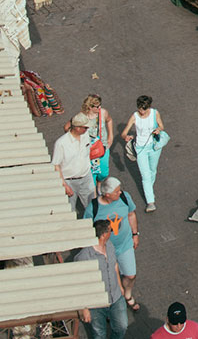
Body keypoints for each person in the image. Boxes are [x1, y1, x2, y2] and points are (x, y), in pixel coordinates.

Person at [86, 177, 141, 311]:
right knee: (108, 280)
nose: (120, 193)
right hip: (105, 250)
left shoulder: (124, 197)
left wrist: (135, 234)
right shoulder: (93, 208)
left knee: (130, 275)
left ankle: (127, 295)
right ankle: (112, 302)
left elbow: (131, 215)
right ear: (107, 195)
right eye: (117, 192)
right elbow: (87, 230)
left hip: (125, 245)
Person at [76, 218, 129, 339]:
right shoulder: (84, 256)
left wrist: (120, 286)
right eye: (110, 231)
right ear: (104, 235)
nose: (112, 233)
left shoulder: (109, 245)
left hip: (115, 297)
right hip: (96, 303)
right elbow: (79, 284)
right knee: (99, 334)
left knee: (122, 326)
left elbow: (114, 265)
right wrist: (84, 308)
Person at [121, 95, 167, 211]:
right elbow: (124, 133)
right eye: (140, 108)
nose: (141, 111)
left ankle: (148, 190)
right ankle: (150, 201)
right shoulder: (135, 116)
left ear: (149, 107)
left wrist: (158, 130)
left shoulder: (155, 113)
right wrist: (126, 137)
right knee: (145, 175)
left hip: (154, 146)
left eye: (144, 109)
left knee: (152, 170)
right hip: (140, 148)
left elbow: (161, 126)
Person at [53, 113, 97, 210]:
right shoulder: (61, 143)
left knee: (93, 207)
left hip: (86, 177)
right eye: (85, 127)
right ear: (77, 128)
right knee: (70, 209)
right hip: (69, 181)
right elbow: (56, 165)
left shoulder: (85, 136)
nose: (87, 129)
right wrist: (64, 184)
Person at [70, 94, 114, 183]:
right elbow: (68, 127)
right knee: (91, 174)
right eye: (97, 106)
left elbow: (109, 120)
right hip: (88, 149)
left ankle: (99, 183)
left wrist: (110, 137)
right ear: (90, 107)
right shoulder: (82, 117)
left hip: (102, 146)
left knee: (104, 173)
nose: (99, 108)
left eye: (100, 105)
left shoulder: (103, 113)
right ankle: (94, 193)